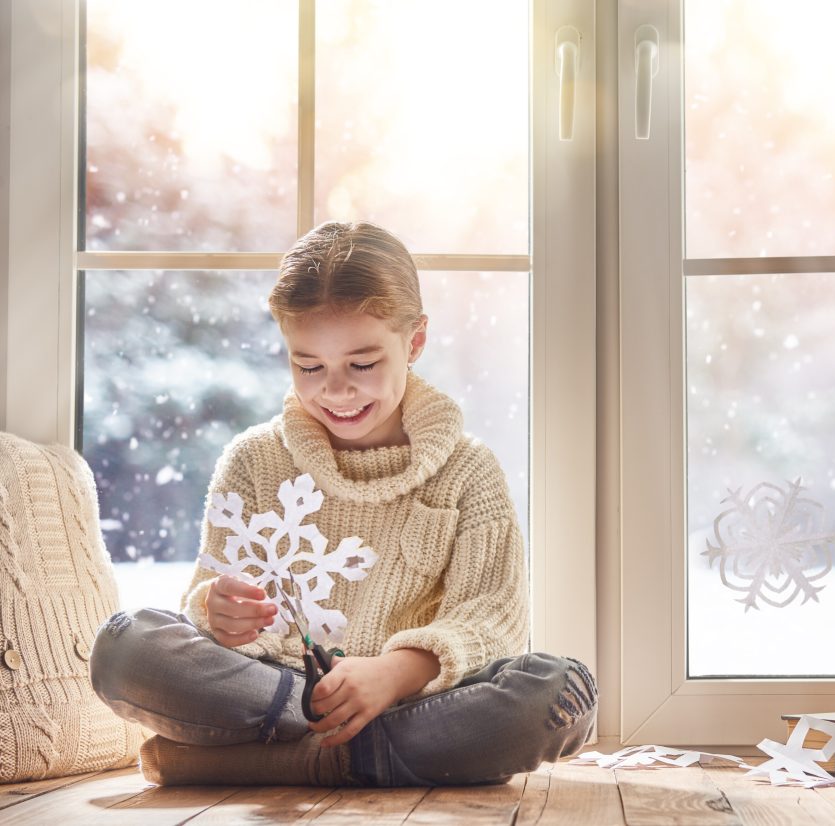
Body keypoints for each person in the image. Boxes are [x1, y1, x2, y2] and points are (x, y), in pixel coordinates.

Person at [89, 221, 597, 787]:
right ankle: (349, 753)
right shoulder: (253, 460)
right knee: (122, 647)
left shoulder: (467, 471)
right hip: (271, 695)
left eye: (362, 364)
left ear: (416, 341)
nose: (335, 390)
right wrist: (215, 611)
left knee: (561, 690)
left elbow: (492, 619)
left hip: (409, 703)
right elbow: (210, 615)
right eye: (309, 366)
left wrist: (393, 675)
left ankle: (294, 758)